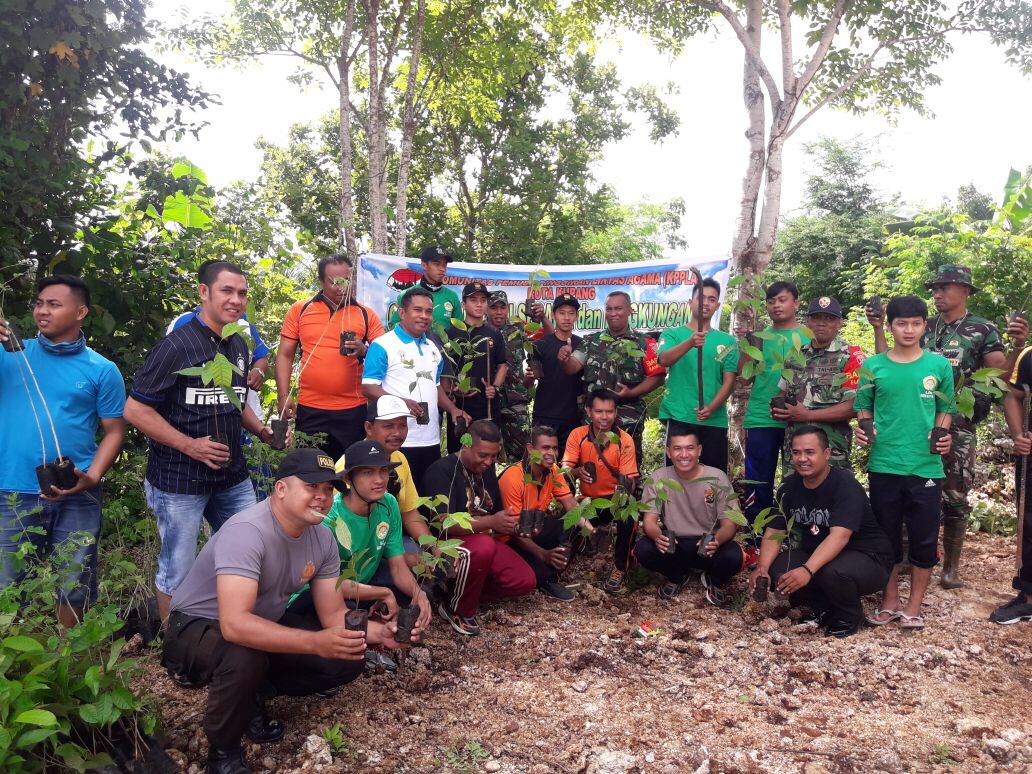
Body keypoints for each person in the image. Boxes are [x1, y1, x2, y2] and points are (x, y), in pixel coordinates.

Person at [162, 448, 417, 774]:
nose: (321, 497)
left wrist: (381, 633)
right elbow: (235, 625)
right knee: (243, 656)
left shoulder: (322, 537)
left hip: (262, 619)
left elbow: (333, 615)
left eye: (328, 489)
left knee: (346, 653)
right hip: (197, 627)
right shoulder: (247, 531)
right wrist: (314, 642)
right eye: (312, 487)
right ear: (281, 489)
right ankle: (223, 753)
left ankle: (252, 694)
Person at [124, 261, 278, 623]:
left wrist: (263, 432)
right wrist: (190, 445)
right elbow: (135, 410)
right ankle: (173, 643)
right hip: (179, 479)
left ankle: (235, 627)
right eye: (227, 291)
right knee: (178, 565)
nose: (236, 300)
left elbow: (234, 401)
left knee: (248, 551)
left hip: (232, 474)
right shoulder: (177, 346)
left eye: (242, 293)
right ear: (203, 292)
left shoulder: (238, 344)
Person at [868, 265, 1007, 589]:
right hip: (914, 424)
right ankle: (906, 557)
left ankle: (951, 568)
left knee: (955, 494)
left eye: (945, 287)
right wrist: (878, 327)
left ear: (966, 291)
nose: (937, 293)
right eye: (935, 288)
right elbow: (887, 364)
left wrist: (1012, 352)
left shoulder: (983, 329)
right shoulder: (922, 326)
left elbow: (999, 377)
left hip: (957, 425)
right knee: (908, 489)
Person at [0, 275, 126, 627]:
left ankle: (68, 661)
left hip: (76, 489)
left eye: (54, 304)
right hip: (11, 491)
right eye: (40, 303)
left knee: (74, 582)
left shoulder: (102, 370)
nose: (43, 310)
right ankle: (11, 667)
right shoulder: (10, 357)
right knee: (8, 584)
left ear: (81, 311)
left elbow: (115, 432)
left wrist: (94, 476)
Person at [854, 295, 954, 629]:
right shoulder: (874, 366)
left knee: (924, 538)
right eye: (901, 323)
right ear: (890, 325)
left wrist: (942, 435)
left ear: (925, 325)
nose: (908, 330)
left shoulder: (938, 366)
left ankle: (914, 606)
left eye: (915, 323)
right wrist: (864, 429)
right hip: (884, 464)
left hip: (925, 466)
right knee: (886, 536)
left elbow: (945, 409)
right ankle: (890, 600)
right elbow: (863, 405)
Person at [750, 426, 894, 637]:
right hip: (820, 552)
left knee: (831, 572)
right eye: (796, 453)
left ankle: (850, 615)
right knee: (780, 568)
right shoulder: (789, 486)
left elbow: (840, 536)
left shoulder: (845, 485)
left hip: (868, 558)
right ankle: (822, 607)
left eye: (810, 452)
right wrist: (761, 568)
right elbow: (774, 529)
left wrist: (807, 571)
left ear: (826, 454)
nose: (802, 459)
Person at [420, 420, 536, 636]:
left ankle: (460, 594)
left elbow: (497, 513)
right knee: (483, 545)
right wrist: (490, 523)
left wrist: (515, 526)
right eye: (482, 455)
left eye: (493, 456)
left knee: (524, 581)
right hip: (446, 543)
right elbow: (445, 525)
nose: (488, 461)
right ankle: (457, 608)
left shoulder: (487, 469)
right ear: (465, 445)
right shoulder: (441, 470)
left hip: (483, 540)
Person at [276, 253, 385, 461]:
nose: (340, 287)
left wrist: (364, 350)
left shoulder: (365, 314)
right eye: (333, 282)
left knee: (350, 471)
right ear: (321, 281)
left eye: (345, 281)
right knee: (310, 469)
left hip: (353, 410)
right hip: (310, 408)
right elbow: (285, 354)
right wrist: (283, 396)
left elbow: (384, 357)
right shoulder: (301, 310)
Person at [362, 287, 470, 486]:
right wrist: (402, 403)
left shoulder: (433, 348)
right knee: (396, 498)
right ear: (402, 313)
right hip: (397, 441)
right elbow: (368, 387)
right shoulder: (383, 345)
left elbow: (435, 387)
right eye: (417, 310)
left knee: (427, 500)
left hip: (430, 439)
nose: (424, 316)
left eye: (428, 312)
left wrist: (453, 409)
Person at [317, 440, 432, 624]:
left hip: (368, 578)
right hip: (332, 589)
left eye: (383, 471)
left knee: (422, 595)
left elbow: (397, 566)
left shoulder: (389, 503)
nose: (379, 480)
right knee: (350, 615)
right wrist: (382, 593)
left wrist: (419, 594)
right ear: (348, 479)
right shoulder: (330, 518)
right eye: (367, 472)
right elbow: (330, 584)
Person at [635, 427, 744, 605]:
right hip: (676, 544)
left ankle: (714, 580)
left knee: (734, 556)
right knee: (643, 549)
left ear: (699, 450)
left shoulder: (716, 478)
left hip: (707, 544)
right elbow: (649, 521)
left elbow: (730, 524)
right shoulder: (659, 478)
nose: (684, 454)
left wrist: (717, 540)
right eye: (677, 449)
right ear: (668, 452)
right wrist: (657, 537)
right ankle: (677, 576)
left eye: (690, 448)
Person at [739, 281, 810, 537]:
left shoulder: (808, 335)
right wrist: (748, 347)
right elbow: (744, 378)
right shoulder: (759, 337)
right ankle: (756, 537)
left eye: (782, 300)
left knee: (799, 480)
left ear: (796, 303)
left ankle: (796, 537)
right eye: (771, 301)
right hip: (762, 417)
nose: (776, 305)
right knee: (758, 481)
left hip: (800, 418)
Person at [560, 290, 665, 460]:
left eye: (618, 308)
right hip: (593, 421)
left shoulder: (645, 343)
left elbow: (658, 376)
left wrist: (633, 392)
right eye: (609, 309)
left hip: (628, 418)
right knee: (592, 466)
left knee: (628, 472)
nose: (613, 313)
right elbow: (572, 367)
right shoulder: (591, 341)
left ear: (630, 310)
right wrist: (564, 359)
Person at [498, 426, 593, 601]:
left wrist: (590, 531)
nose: (551, 453)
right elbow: (513, 531)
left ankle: (551, 569)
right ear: (530, 448)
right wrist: (542, 554)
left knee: (575, 525)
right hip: (511, 539)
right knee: (534, 576)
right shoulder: (513, 477)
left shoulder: (553, 470)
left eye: (555, 448)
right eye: (545, 448)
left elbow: (570, 504)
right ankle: (546, 574)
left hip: (535, 528)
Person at [771, 296, 864, 471]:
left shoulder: (851, 356)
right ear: (807, 322)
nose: (822, 323)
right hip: (796, 455)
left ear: (840, 323)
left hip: (831, 453)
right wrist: (779, 408)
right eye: (816, 318)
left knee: (832, 497)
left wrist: (807, 415)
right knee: (794, 497)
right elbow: (782, 394)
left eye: (829, 319)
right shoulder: (796, 355)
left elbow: (855, 406)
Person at [562, 388, 640, 595]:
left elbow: (630, 476)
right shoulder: (577, 435)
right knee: (567, 524)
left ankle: (620, 567)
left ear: (616, 413)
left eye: (609, 411)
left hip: (614, 501)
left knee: (629, 512)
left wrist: (625, 486)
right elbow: (564, 472)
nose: (604, 417)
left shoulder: (624, 440)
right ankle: (562, 564)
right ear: (589, 411)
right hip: (588, 501)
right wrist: (577, 472)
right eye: (599, 411)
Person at [657, 278, 739, 472]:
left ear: (717, 305)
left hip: (714, 420)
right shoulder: (672, 334)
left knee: (714, 477)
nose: (706, 303)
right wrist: (690, 343)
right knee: (676, 477)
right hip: (679, 416)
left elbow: (729, 380)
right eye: (701, 298)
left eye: (712, 299)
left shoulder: (727, 341)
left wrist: (712, 407)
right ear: (690, 301)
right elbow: (663, 360)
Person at [347, 395, 427, 568]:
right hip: (358, 549)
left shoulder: (400, 458)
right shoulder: (349, 466)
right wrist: (402, 559)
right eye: (388, 426)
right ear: (369, 427)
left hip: (391, 538)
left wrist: (436, 549)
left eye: (402, 426)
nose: (397, 433)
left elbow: (410, 513)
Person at [440, 281, 509, 454]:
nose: (479, 304)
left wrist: (495, 387)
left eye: (483, 300)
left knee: (487, 455)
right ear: (463, 304)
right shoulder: (451, 333)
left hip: (487, 407)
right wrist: (451, 391)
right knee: (459, 455)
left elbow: (503, 365)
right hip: (460, 408)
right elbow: (444, 370)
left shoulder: (494, 334)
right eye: (473, 300)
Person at [487, 291, 550, 462]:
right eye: (494, 307)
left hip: (516, 402)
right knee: (488, 455)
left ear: (507, 308)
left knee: (523, 455)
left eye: (502, 307)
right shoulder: (481, 332)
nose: (499, 312)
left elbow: (550, 338)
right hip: (488, 403)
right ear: (486, 309)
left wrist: (542, 317)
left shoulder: (518, 329)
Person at [996, 345, 1032, 623]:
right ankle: (1029, 597)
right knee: (1029, 524)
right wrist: (1019, 435)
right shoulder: (1028, 355)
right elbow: (1011, 393)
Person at [531, 292, 584, 454]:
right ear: (554, 315)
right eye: (562, 313)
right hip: (544, 416)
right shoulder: (540, 345)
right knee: (539, 467)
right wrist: (528, 378)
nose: (566, 318)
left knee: (567, 470)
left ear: (576, 316)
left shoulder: (583, 345)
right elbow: (528, 381)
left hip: (572, 419)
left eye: (571, 313)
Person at [388, 245, 462, 334]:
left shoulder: (452, 296)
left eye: (444, 265)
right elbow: (393, 328)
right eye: (437, 264)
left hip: (443, 347)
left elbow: (459, 331)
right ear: (424, 265)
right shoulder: (406, 294)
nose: (442, 269)